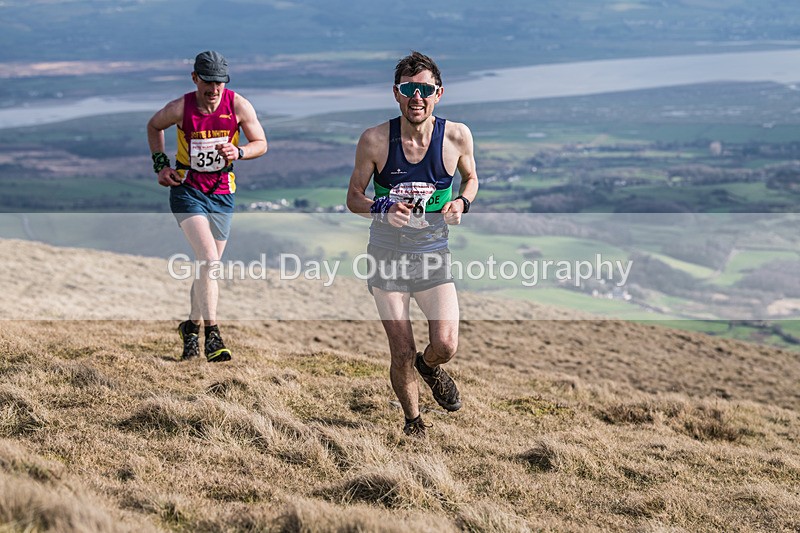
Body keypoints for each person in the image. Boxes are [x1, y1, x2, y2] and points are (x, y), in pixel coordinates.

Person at [346, 51, 479, 436]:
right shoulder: (374, 140)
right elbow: (354, 197)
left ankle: (430, 365)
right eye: (409, 89)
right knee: (401, 350)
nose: (416, 97)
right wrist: (381, 207)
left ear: (439, 93)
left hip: (432, 253)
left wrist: (462, 202)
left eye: (424, 89)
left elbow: (471, 178)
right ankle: (413, 423)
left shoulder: (456, 136)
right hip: (386, 256)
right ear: (396, 93)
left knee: (446, 344)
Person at [147, 50, 268, 363]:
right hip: (187, 190)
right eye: (208, 83)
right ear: (195, 79)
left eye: (220, 83)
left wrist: (239, 152)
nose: (214, 90)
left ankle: (190, 327)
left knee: (207, 269)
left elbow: (261, 143)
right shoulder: (181, 107)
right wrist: (161, 164)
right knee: (210, 260)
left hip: (223, 194)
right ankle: (213, 334)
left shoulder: (238, 105)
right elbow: (153, 126)